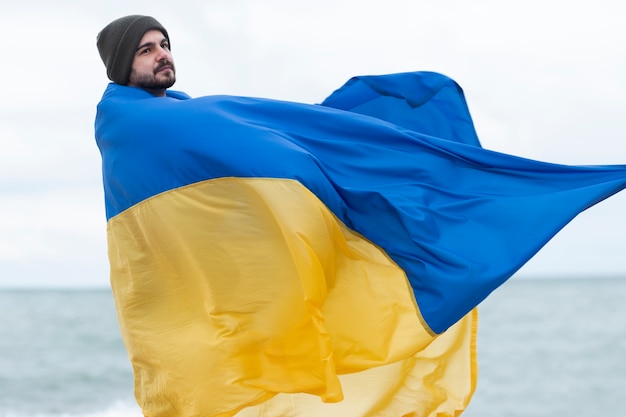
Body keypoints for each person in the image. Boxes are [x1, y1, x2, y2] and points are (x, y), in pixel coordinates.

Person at [95, 15, 626, 417]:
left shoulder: (183, 113)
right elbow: (249, 146)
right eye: (146, 49)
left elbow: (249, 149)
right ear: (122, 64)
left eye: (164, 44)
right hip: (189, 302)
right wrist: (324, 146)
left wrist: (330, 133)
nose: (162, 54)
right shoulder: (130, 123)